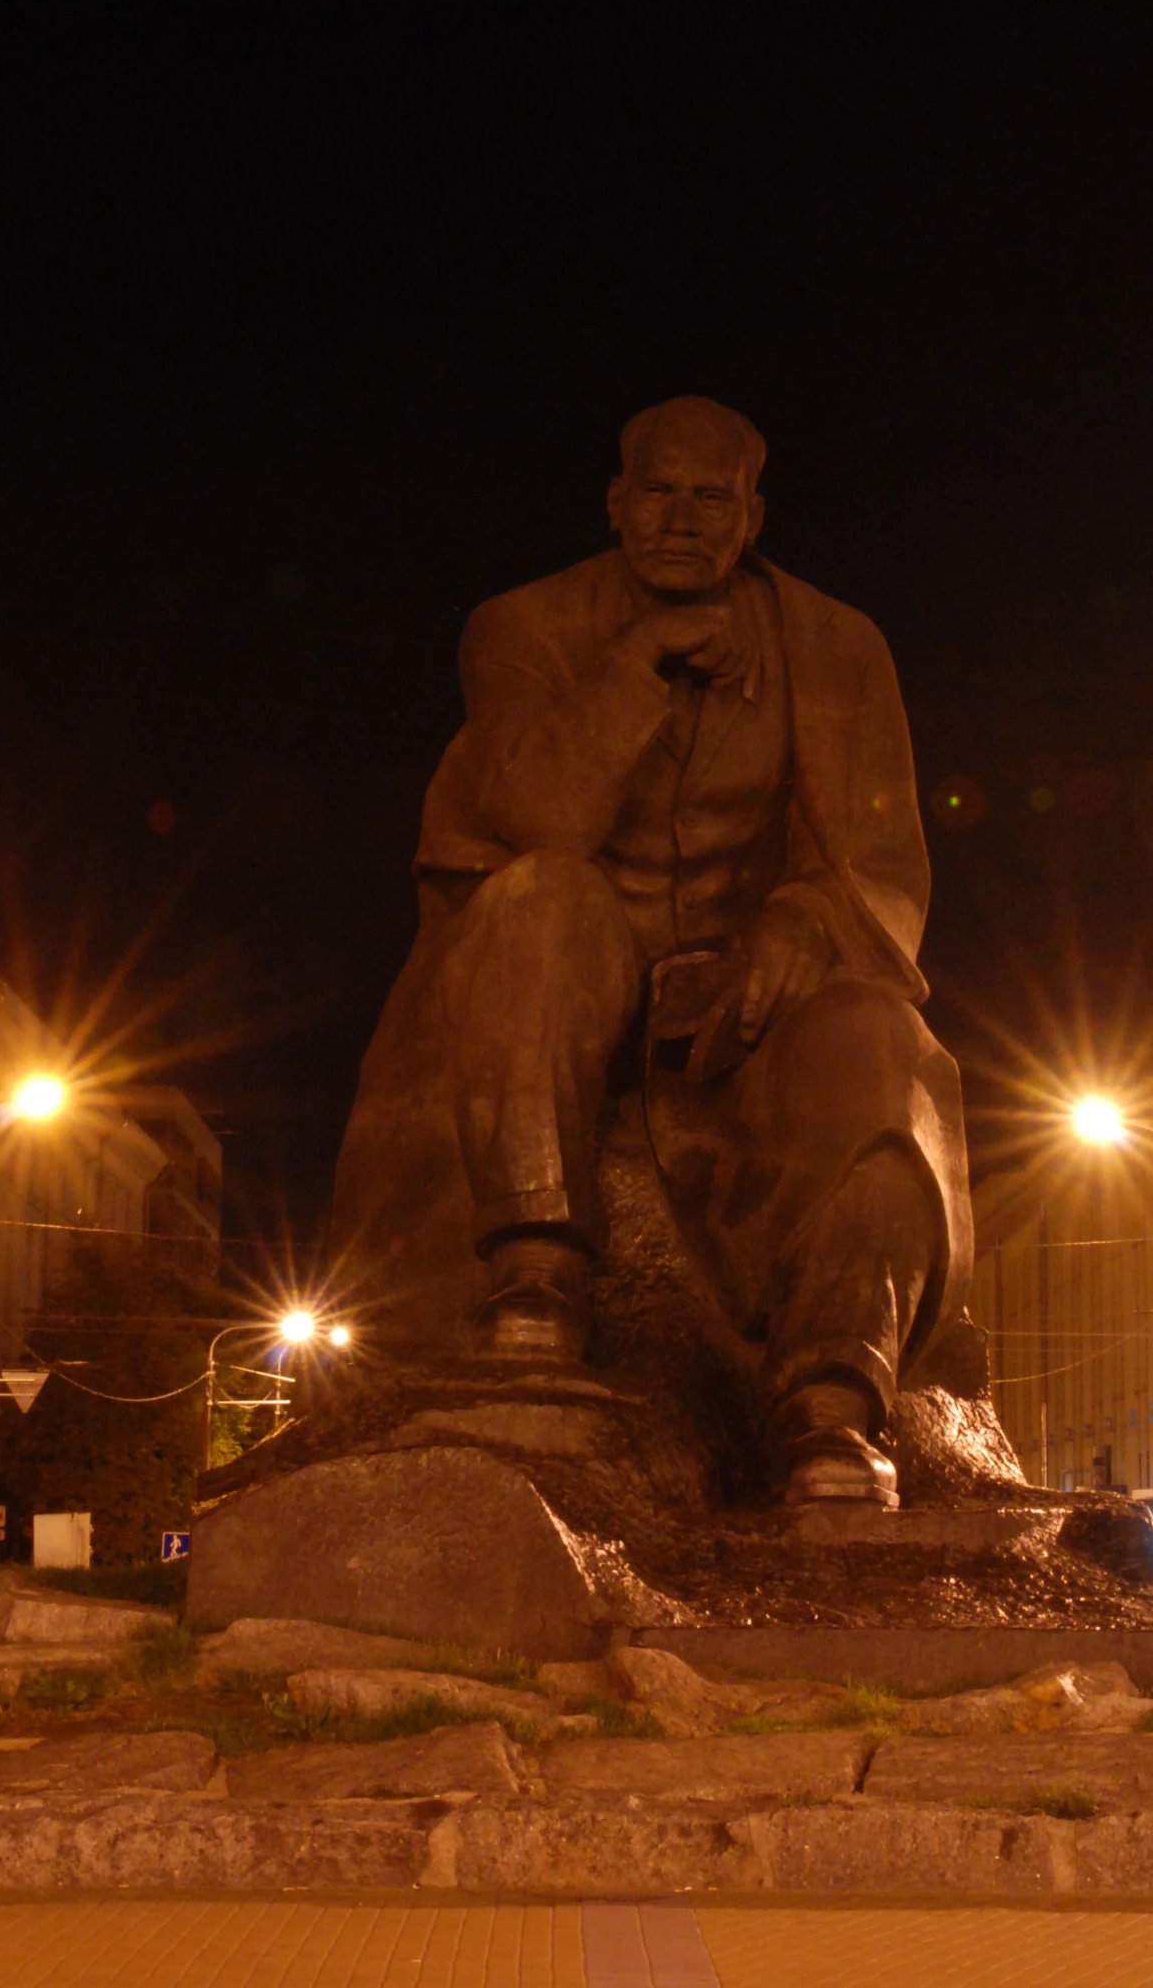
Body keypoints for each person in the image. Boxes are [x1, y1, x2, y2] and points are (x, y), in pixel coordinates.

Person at [331, 395, 972, 1505]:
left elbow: (882, 863)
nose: (681, 517)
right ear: (618, 503)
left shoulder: (836, 644)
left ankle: (830, 1403)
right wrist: (639, 657)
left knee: (882, 1041)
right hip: (553, 974)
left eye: (710, 495)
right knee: (540, 899)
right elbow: (538, 813)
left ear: (751, 515)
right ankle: (533, 1279)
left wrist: (798, 926)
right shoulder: (520, 627)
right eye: (659, 491)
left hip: (750, 1006)